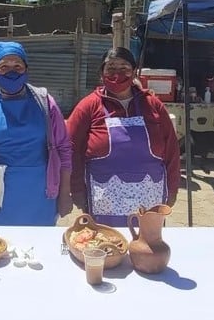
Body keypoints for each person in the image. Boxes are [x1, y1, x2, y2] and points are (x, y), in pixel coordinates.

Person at [66, 48, 180, 226]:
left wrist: (172, 189)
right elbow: (71, 149)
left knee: (146, 247)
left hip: (150, 197)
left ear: (134, 71)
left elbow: (172, 150)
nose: (117, 74)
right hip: (104, 198)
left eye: (124, 68)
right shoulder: (88, 106)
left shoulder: (153, 105)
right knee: (108, 245)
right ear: (101, 73)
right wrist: (76, 190)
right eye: (110, 68)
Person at [0, 41, 73, 226]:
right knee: (3, 248)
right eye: (4, 67)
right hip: (0, 195)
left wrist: (64, 193)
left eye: (17, 66)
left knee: (39, 248)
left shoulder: (45, 102)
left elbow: (64, 148)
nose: (11, 72)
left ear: (26, 69)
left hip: (42, 192)